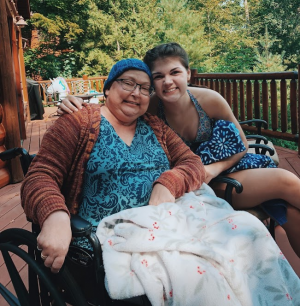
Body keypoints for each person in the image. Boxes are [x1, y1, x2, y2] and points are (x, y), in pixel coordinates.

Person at [59, 43, 300, 258]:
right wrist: (75, 103)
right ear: (151, 83)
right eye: (158, 76)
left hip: (221, 170)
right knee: (285, 181)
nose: (168, 81)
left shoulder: (209, 100)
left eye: (175, 72)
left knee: (289, 207)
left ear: (188, 74)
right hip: (190, 184)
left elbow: (242, 144)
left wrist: (212, 169)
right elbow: (114, 107)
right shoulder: (148, 107)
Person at [21, 59, 205, 274]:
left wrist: (170, 182)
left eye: (145, 89)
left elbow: (193, 163)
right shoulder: (78, 122)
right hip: (103, 245)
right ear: (108, 88)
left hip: (161, 231)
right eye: (128, 83)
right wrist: (54, 215)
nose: (136, 93)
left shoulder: (156, 126)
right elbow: (40, 175)